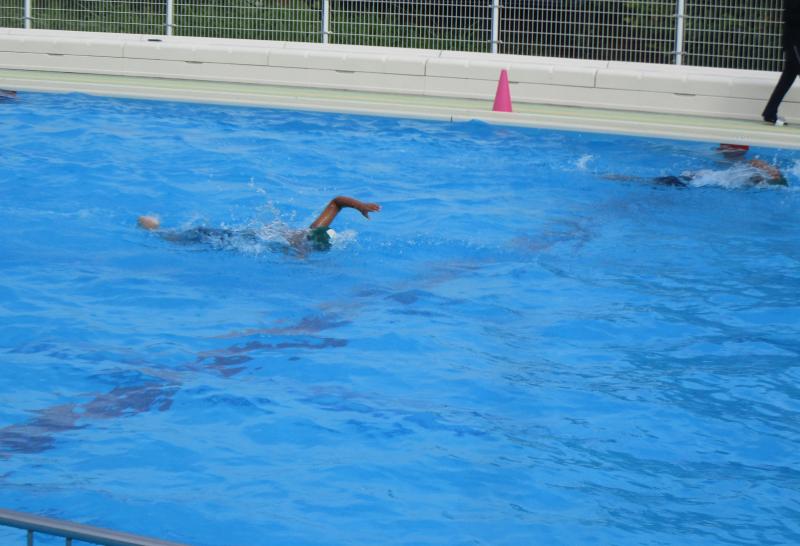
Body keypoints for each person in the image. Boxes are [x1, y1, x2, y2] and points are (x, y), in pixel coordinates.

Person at [137, 195, 380, 252]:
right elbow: (299, 255)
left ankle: (154, 226)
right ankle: (150, 226)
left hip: (230, 234)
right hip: (223, 240)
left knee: (182, 235)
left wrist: (359, 205)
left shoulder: (312, 231)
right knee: (170, 238)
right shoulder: (302, 243)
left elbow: (337, 202)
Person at [762, 0, 800, 126]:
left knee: (786, 80)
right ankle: (770, 113)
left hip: (794, 42)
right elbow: (790, 16)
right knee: (786, 80)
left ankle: (770, 113)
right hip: (795, 42)